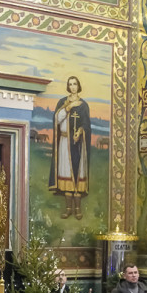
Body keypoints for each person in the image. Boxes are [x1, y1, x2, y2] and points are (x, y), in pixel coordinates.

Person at [51, 76, 91, 219]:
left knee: (77, 172)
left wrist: (80, 132)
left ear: (78, 86)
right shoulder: (63, 102)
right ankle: (68, 208)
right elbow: (56, 119)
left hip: (78, 144)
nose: (73, 86)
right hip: (64, 142)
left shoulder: (83, 105)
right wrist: (68, 107)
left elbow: (86, 124)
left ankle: (78, 209)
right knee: (66, 172)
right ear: (68, 87)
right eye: (70, 84)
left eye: (75, 84)